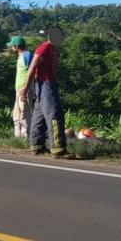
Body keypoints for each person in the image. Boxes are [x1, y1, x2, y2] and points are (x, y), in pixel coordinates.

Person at [21, 28, 69, 158]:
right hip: (45, 85)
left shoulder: (52, 50)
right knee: (54, 115)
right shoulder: (44, 48)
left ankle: (37, 146)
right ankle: (58, 149)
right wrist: (26, 88)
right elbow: (32, 67)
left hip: (46, 84)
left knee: (39, 115)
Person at [7, 36, 34, 141]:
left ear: (16, 46)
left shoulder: (27, 55)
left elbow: (32, 71)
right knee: (17, 115)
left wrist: (26, 88)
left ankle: (26, 139)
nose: (11, 48)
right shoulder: (21, 56)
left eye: (12, 46)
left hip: (25, 90)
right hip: (19, 90)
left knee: (25, 115)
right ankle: (18, 139)